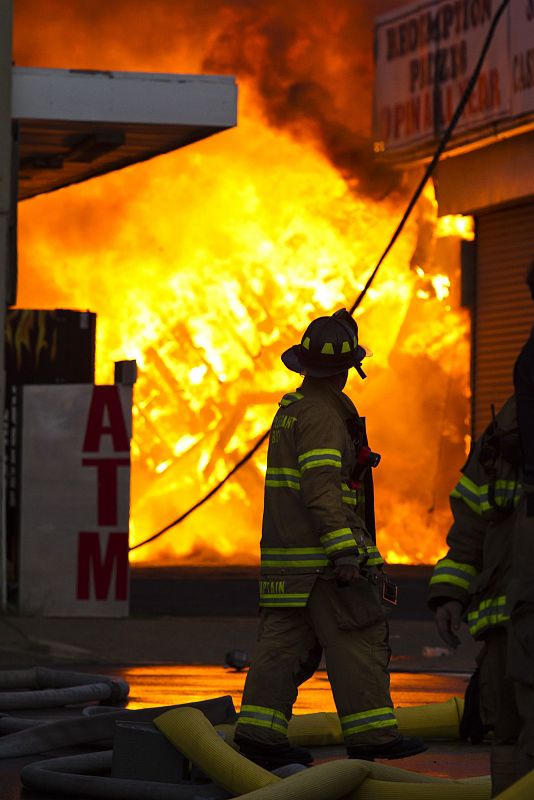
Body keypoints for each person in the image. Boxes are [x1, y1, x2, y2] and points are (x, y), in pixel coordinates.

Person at [234, 308, 427, 769]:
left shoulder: (293, 412)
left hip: (289, 562)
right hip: (323, 562)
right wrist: (345, 550)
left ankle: (259, 734)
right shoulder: (322, 415)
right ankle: (373, 738)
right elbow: (322, 488)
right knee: (358, 635)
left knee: (282, 647)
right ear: (346, 370)